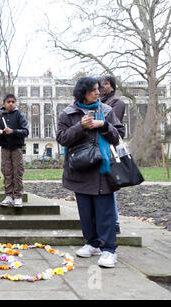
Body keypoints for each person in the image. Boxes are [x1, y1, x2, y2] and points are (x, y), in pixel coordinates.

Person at [56, 77, 125, 268]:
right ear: (83, 93)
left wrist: (104, 126)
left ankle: (109, 250)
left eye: (99, 89)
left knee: (105, 212)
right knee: (86, 212)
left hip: (102, 170)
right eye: (94, 90)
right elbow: (62, 138)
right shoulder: (67, 114)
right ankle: (92, 243)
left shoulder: (107, 111)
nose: (98, 92)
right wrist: (81, 127)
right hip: (79, 169)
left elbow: (119, 135)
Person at [99, 75, 126, 234]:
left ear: (113, 87)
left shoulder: (116, 103)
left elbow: (112, 126)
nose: (103, 87)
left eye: (106, 84)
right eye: (100, 84)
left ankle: (114, 223)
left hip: (109, 149)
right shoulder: (99, 103)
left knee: (109, 185)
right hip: (98, 149)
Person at [0, 94, 29, 207]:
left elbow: (25, 131)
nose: (11, 103)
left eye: (13, 101)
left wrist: (13, 131)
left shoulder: (19, 115)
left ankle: (18, 197)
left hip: (17, 148)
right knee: (7, 172)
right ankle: (9, 196)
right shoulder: (0, 118)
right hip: (5, 148)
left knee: (17, 172)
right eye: (8, 101)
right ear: (4, 103)